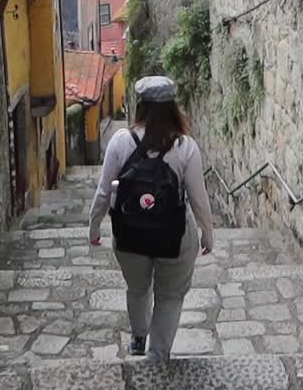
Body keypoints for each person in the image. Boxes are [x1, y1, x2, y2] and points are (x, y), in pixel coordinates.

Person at [88, 76, 214, 361]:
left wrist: (94, 228)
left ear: (140, 106)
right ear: (173, 108)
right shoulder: (185, 147)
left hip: (129, 235)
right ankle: (157, 356)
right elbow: (198, 197)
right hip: (174, 236)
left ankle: (138, 336)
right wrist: (207, 232)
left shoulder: (121, 141)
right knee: (170, 296)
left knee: (137, 288)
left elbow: (103, 192)